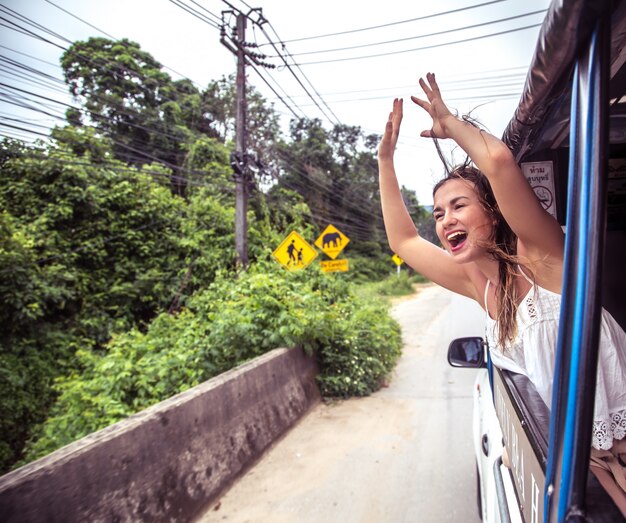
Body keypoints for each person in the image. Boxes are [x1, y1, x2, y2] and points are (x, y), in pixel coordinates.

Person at [378, 73, 626, 506]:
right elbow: (403, 241)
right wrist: (384, 162)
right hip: (591, 459)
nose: (445, 221)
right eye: (438, 214)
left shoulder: (542, 254)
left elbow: (498, 163)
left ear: (493, 211)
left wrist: (450, 123)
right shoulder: (483, 285)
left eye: (459, 206)